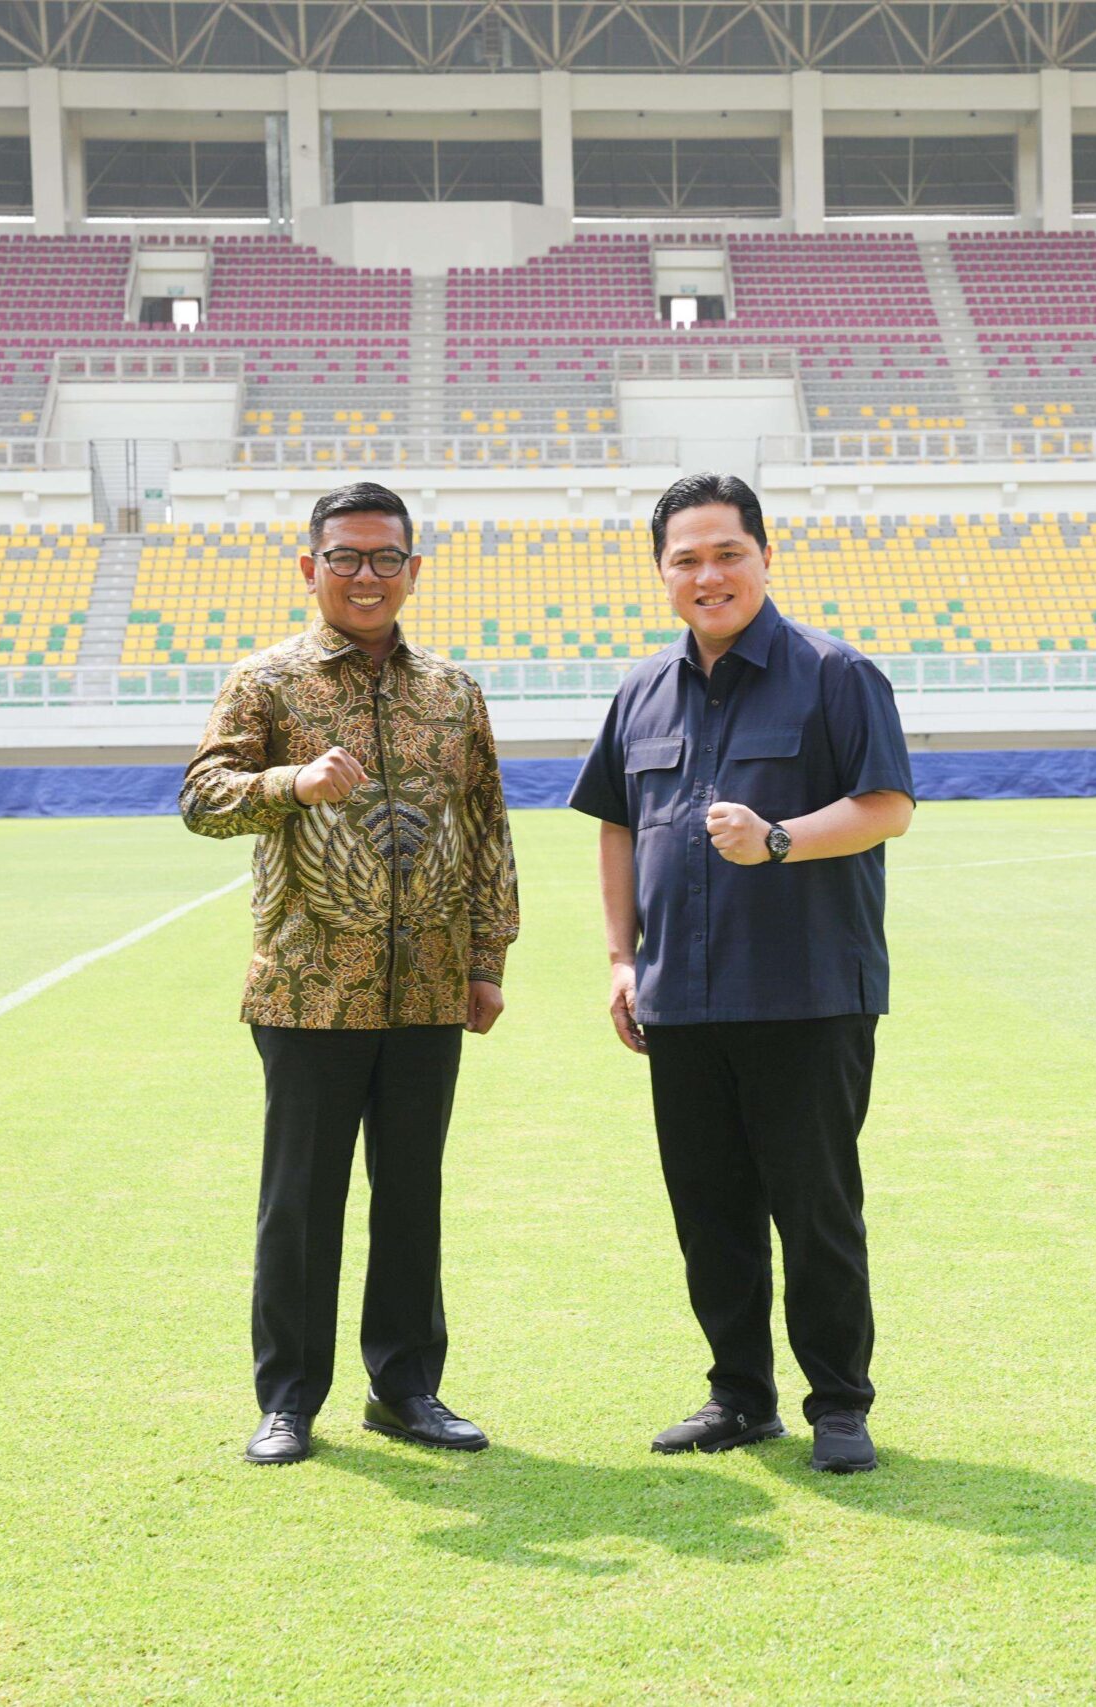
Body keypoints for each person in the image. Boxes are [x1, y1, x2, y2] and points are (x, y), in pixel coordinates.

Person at [567, 473, 915, 1475]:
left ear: (765, 555)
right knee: (708, 1209)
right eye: (686, 559)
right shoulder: (639, 691)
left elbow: (886, 805)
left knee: (813, 1208)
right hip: (680, 999)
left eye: (727, 553)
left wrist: (778, 840)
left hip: (806, 993)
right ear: (661, 573)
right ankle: (739, 1397)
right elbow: (619, 831)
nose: (708, 574)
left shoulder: (834, 673)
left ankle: (839, 1405)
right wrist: (622, 960)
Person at [180, 481, 519, 1467]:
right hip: (307, 988)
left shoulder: (452, 691)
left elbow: (488, 826)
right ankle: (287, 1400)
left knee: (411, 1195)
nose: (365, 576)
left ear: (414, 570)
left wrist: (487, 960)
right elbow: (202, 798)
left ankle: (407, 1389)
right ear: (309, 567)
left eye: (384, 558)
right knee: (302, 1199)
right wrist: (293, 781)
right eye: (345, 557)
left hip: (429, 991)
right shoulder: (267, 684)